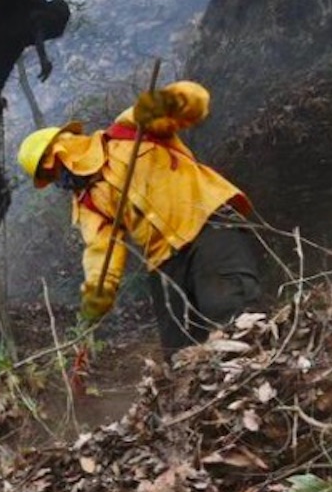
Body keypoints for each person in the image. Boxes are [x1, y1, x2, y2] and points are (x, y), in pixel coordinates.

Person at [18, 80, 263, 351]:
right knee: (179, 349)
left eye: (52, 171)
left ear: (65, 151)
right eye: (49, 178)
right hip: (163, 258)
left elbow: (194, 99)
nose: (57, 181)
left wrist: (167, 103)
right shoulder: (88, 203)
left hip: (208, 223)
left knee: (230, 311)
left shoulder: (129, 130)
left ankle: (259, 380)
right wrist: (97, 296)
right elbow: (102, 253)